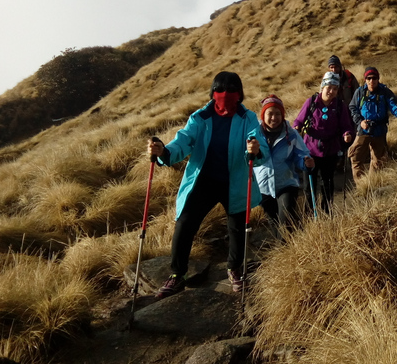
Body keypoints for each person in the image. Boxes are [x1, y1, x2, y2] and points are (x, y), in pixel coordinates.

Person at [147, 71, 268, 298]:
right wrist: (164, 151)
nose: (226, 96)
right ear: (213, 93)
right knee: (185, 224)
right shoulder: (200, 118)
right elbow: (183, 141)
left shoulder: (248, 118)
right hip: (203, 181)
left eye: (232, 91)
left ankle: (235, 270)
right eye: (221, 90)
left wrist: (256, 149)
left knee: (238, 228)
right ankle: (177, 274)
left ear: (240, 94)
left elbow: (257, 140)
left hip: (236, 181)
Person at [293, 72, 355, 214]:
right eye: (329, 87)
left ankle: (327, 212)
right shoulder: (312, 102)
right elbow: (299, 120)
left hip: (330, 151)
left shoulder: (340, 106)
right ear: (323, 86)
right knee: (310, 186)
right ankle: (309, 212)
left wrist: (347, 134)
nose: (331, 91)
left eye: (335, 88)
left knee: (327, 183)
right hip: (310, 151)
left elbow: (346, 125)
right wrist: (296, 128)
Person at [254, 94, 314, 231]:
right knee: (274, 222)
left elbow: (301, 154)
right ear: (263, 115)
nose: (274, 118)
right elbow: (247, 156)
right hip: (262, 187)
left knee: (286, 220)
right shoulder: (254, 134)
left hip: (286, 184)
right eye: (270, 113)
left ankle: (289, 246)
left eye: (278, 114)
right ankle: (283, 248)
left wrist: (306, 163)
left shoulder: (291, 134)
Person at [348, 67, 397, 184]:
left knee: (379, 160)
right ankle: (362, 186)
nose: (371, 81)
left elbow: (395, 108)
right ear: (365, 79)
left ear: (378, 79)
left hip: (379, 130)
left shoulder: (385, 92)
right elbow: (352, 108)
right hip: (363, 130)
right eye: (368, 78)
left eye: (374, 78)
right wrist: (360, 122)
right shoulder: (360, 92)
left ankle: (374, 184)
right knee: (356, 157)